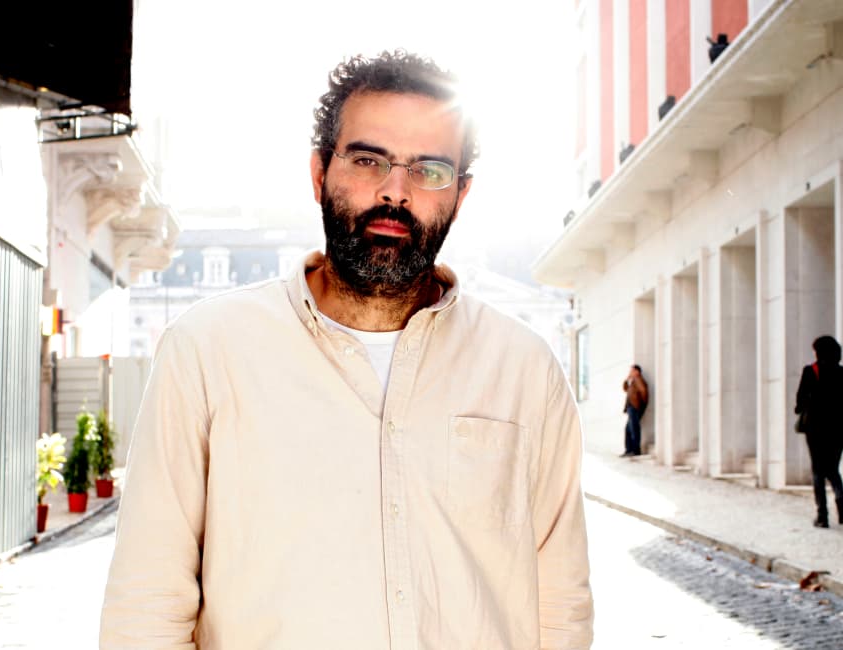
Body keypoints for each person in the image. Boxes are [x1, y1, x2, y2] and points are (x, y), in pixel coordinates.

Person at [100, 50, 593, 649]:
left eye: (430, 170)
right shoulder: (207, 352)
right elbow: (147, 603)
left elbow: (560, 605)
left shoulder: (526, 371)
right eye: (367, 160)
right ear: (319, 174)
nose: (395, 191)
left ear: (460, 195)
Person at [794, 335, 843, 528]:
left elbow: (800, 401)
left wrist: (803, 407)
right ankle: (841, 502)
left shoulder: (811, 371)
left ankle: (822, 515)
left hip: (815, 429)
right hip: (838, 428)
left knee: (818, 470)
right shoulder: (841, 373)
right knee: (833, 469)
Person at [621, 364, 649, 457]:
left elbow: (644, 391)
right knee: (628, 429)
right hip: (631, 408)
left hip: (634, 407)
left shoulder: (638, 379)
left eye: (632, 371)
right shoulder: (633, 381)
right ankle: (629, 450)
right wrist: (627, 379)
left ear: (637, 372)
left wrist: (641, 405)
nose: (630, 372)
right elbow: (625, 389)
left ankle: (635, 450)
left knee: (634, 429)